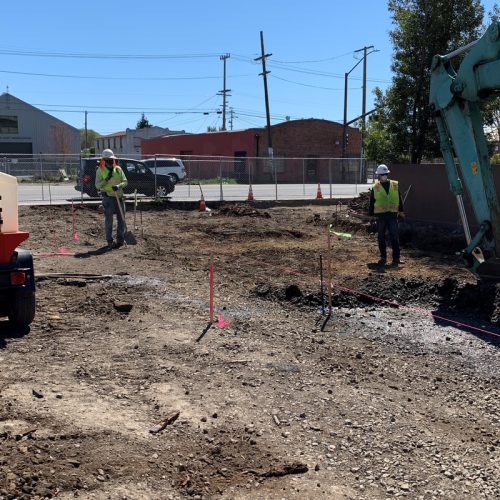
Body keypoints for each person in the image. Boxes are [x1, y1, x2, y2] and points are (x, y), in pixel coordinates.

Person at [369, 164, 404, 266]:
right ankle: (383, 257)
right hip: (381, 216)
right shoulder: (376, 187)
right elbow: (372, 201)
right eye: (382, 174)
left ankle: (396, 259)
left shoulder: (394, 184)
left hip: (392, 215)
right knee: (381, 237)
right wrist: (371, 215)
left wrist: (401, 211)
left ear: (387, 174)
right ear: (379, 175)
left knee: (394, 236)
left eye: (385, 174)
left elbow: (399, 199)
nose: (384, 175)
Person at [95, 149, 128, 249]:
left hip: (119, 197)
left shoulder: (118, 169)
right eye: (108, 159)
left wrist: (119, 186)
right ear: (103, 160)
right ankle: (109, 241)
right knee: (109, 220)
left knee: (121, 219)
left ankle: (120, 240)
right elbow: (97, 186)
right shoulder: (100, 170)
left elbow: (125, 181)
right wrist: (106, 180)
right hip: (108, 198)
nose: (110, 161)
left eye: (111, 159)